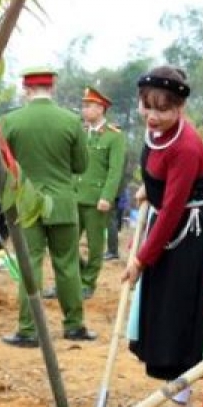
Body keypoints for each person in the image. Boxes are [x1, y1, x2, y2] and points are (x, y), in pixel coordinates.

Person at [122, 67, 203, 407]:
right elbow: (159, 182)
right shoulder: (156, 134)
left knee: (180, 323)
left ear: (181, 106)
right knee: (162, 321)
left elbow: (175, 207)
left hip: (189, 238)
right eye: (147, 106)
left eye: (164, 109)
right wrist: (149, 190)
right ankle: (176, 401)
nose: (154, 115)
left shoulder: (187, 146)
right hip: (166, 230)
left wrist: (140, 259)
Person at [0, 66, 92, 346]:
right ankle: (74, 325)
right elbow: (81, 165)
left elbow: (3, 163)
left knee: (31, 264)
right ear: (51, 88)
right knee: (67, 265)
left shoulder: (10, 122)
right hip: (63, 203)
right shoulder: (71, 121)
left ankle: (29, 330)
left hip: (26, 204)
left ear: (26, 89)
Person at [75, 87, 126, 300]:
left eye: (88, 106)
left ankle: (87, 283)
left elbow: (115, 170)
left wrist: (107, 196)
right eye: (84, 106)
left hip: (97, 200)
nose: (84, 110)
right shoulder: (79, 132)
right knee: (65, 243)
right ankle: (74, 278)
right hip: (75, 195)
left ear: (100, 108)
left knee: (95, 245)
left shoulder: (114, 136)